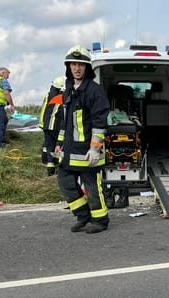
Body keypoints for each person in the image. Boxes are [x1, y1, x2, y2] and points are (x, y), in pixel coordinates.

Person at [57, 45, 110, 234]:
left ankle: (101, 220)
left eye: (80, 64)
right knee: (65, 181)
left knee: (92, 187)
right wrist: (59, 143)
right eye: (73, 64)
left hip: (88, 150)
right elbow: (66, 120)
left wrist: (95, 148)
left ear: (87, 68)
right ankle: (83, 215)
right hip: (70, 149)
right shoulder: (69, 89)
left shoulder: (94, 91)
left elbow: (99, 121)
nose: (77, 68)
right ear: (68, 66)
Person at [39, 75, 66, 176]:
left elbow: (43, 110)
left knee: (49, 147)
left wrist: (42, 124)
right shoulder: (63, 97)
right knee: (60, 147)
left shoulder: (48, 95)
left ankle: (50, 171)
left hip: (47, 126)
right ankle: (60, 169)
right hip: (57, 127)